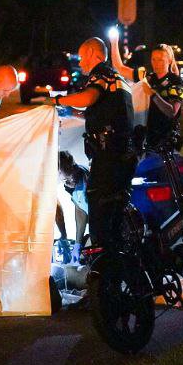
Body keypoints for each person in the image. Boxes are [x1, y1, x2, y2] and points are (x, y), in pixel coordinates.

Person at [52, 37, 134, 252]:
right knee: (114, 210)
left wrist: (57, 100)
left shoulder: (102, 74)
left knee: (99, 210)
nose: (80, 63)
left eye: (81, 57)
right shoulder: (117, 79)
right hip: (123, 154)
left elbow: (88, 98)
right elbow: (100, 112)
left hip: (109, 156)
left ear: (91, 53)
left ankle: (104, 261)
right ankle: (120, 257)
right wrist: (73, 112)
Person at [141, 44, 183, 149]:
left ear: (169, 61)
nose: (156, 63)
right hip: (148, 136)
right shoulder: (149, 79)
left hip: (166, 139)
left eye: (160, 60)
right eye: (153, 59)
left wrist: (153, 94)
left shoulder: (176, 81)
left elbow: (172, 112)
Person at [54, 150, 90, 258]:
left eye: (68, 179)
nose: (69, 183)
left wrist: (78, 244)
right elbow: (80, 209)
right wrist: (77, 243)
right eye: (65, 181)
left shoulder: (84, 183)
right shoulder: (74, 182)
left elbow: (82, 211)